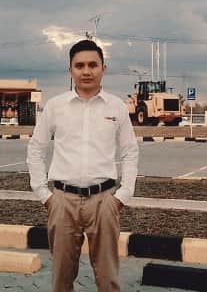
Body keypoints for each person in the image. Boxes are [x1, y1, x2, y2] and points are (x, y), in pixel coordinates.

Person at [26, 39, 139, 292]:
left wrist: (122, 196)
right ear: (70, 70)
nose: (86, 71)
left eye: (92, 65)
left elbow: (130, 151)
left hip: (104, 202)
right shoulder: (55, 107)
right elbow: (36, 148)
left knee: (108, 279)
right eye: (79, 66)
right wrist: (44, 195)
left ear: (103, 69)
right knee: (61, 279)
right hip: (62, 202)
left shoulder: (116, 107)